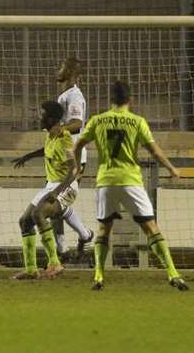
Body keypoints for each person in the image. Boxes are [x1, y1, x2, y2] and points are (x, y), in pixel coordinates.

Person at [74, 81, 188, 291]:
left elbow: (78, 144)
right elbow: (154, 150)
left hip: (106, 181)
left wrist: (77, 168)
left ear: (111, 100)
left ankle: (99, 275)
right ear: (130, 100)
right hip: (131, 181)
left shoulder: (98, 121)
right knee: (151, 228)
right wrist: (172, 168)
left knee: (103, 229)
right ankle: (173, 273)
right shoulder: (137, 122)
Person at [13, 57, 93, 258]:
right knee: (56, 205)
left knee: (56, 201)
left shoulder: (74, 95)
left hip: (70, 153)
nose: (58, 70)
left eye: (62, 67)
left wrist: (58, 130)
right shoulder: (65, 95)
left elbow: (77, 122)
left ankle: (62, 248)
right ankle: (78, 238)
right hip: (58, 151)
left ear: (73, 72)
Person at [10, 101, 76, 280]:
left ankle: (55, 263)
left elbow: (74, 170)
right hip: (51, 185)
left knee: (38, 214)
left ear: (52, 118)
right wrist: (28, 156)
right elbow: (46, 151)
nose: (39, 116)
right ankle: (31, 269)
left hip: (67, 186)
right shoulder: (50, 136)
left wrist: (57, 192)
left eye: (42, 114)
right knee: (24, 221)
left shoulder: (65, 138)